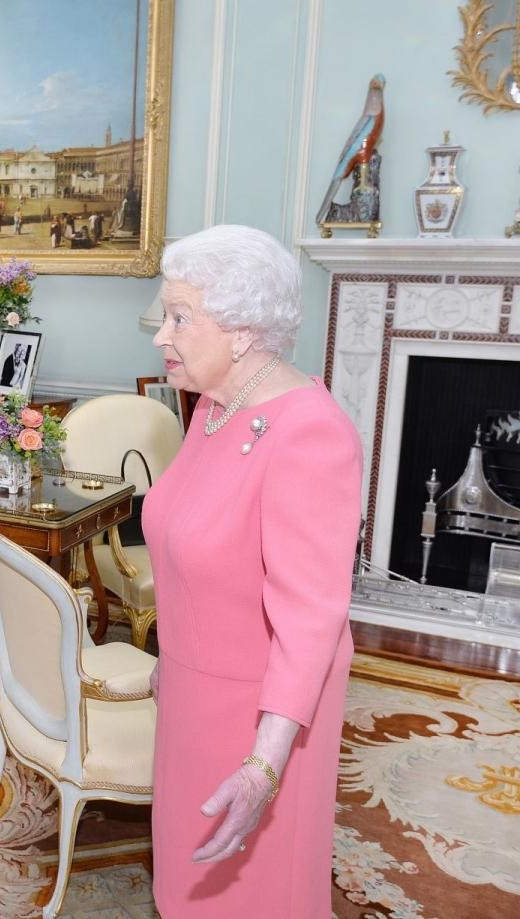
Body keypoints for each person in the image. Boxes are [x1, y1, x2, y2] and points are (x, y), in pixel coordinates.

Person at [141, 224, 362, 916]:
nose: (161, 335)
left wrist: (265, 764)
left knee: (255, 889)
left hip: (261, 715)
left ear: (240, 332)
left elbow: (310, 619)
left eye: (180, 317)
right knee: (186, 873)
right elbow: (191, 544)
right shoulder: (215, 406)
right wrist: (170, 654)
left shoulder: (310, 433)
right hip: (191, 694)